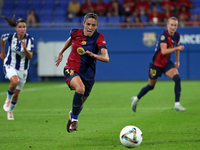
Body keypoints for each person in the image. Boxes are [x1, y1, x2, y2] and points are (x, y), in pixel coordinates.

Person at [55, 13, 109, 132]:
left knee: (80, 104)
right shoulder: (75, 33)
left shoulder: (99, 37)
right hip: (71, 68)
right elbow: (71, 39)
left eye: (93, 25)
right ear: (83, 23)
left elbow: (106, 58)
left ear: (97, 26)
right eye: (88, 24)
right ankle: (75, 120)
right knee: (80, 88)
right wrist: (61, 51)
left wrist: (94, 55)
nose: (90, 27)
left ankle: (72, 115)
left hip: (88, 74)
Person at [131, 17, 186, 113]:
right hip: (156, 64)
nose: (173, 27)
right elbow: (164, 51)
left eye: (175, 25)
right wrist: (177, 48)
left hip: (167, 63)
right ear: (167, 25)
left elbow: (177, 47)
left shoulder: (177, 36)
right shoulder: (163, 35)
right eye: (171, 25)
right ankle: (136, 98)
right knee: (151, 86)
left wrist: (177, 61)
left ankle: (177, 104)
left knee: (177, 78)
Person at [0, 15, 34, 120]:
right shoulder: (11, 36)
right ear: (16, 28)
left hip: (23, 69)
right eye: (20, 27)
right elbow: (2, 38)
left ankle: (10, 110)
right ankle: (8, 99)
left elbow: (30, 56)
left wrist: (25, 49)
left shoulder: (29, 39)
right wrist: (2, 53)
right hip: (10, 64)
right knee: (14, 82)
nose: (22, 29)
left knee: (17, 94)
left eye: (24, 27)